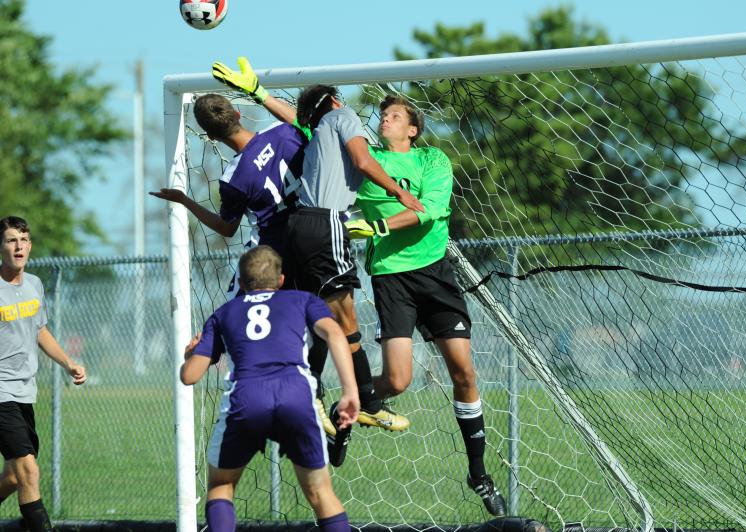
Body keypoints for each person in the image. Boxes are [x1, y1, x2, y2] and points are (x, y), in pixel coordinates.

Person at [212, 57, 422, 464]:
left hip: (297, 231)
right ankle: (365, 400)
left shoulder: (317, 128)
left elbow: (297, 117)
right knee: (345, 321)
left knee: (323, 322)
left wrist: (259, 93)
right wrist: (399, 192)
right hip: (326, 225)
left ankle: (321, 401)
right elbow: (362, 161)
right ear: (336, 101)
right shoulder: (342, 122)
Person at [345, 95, 507, 516]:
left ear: (412, 129)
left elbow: (434, 210)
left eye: (395, 115)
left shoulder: (433, 160)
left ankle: (479, 473)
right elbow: (313, 126)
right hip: (391, 277)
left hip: (435, 275)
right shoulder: (365, 158)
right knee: (398, 381)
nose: (386, 119)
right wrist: (260, 95)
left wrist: (378, 224)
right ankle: (353, 400)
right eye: (383, 114)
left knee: (465, 372)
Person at [180, 245, 358, 532]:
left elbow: (189, 376)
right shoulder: (302, 300)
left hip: (247, 397)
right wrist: (350, 391)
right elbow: (335, 333)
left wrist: (190, 354)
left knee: (221, 486)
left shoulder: (223, 312)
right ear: (282, 280)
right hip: (296, 395)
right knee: (321, 494)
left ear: (240, 283)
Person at [150, 92, 306, 294]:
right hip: (311, 238)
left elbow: (227, 228)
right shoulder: (283, 131)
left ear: (211, 137)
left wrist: (183, 200)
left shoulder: (234, 179)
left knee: (239, 314)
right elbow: (303, 125)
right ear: (238, 114)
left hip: (270, 255)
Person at [0, 216, 87, 532]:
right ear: (1, 247)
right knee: (30, 473)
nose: (18, 246)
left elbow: (40, 330)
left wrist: (68, 362)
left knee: (14, 476)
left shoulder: (34, 285)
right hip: (0, 393)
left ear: (30, 245)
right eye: (11, 240)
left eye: (23, 240)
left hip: (25, 392)